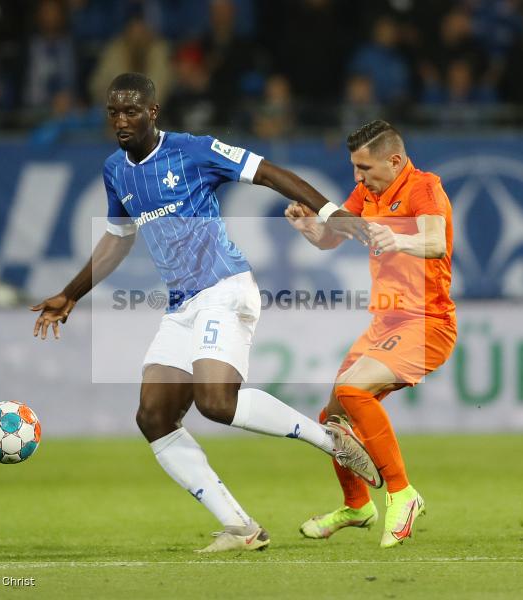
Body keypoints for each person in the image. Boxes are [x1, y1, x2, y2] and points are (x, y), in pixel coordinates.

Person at [31, 72, 379, 553]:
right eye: (113, 112)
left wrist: (329, 210)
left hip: (224, 287)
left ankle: (330, 440)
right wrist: (71, 293)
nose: (121, 120)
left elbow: (271, 172)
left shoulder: (193, 150)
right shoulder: (117, 169)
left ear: (153, 112)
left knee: (216, 402)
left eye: (131, 111)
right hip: (181, 304)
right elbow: (118, 237)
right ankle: (240, 527)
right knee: (153, 416)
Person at [284, 120, 457, 548]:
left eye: (365, 168)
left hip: (427, 323)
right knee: (332, 419)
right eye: (354, 168)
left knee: (353, 390)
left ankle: (403, 493)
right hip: (385, 323)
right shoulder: (368, 193)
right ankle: (358, 505)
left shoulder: (424, 187)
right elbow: (332, 240)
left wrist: (397, 239)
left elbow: (436, 242)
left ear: (394, 160)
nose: (358, 178)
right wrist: (310, 229)